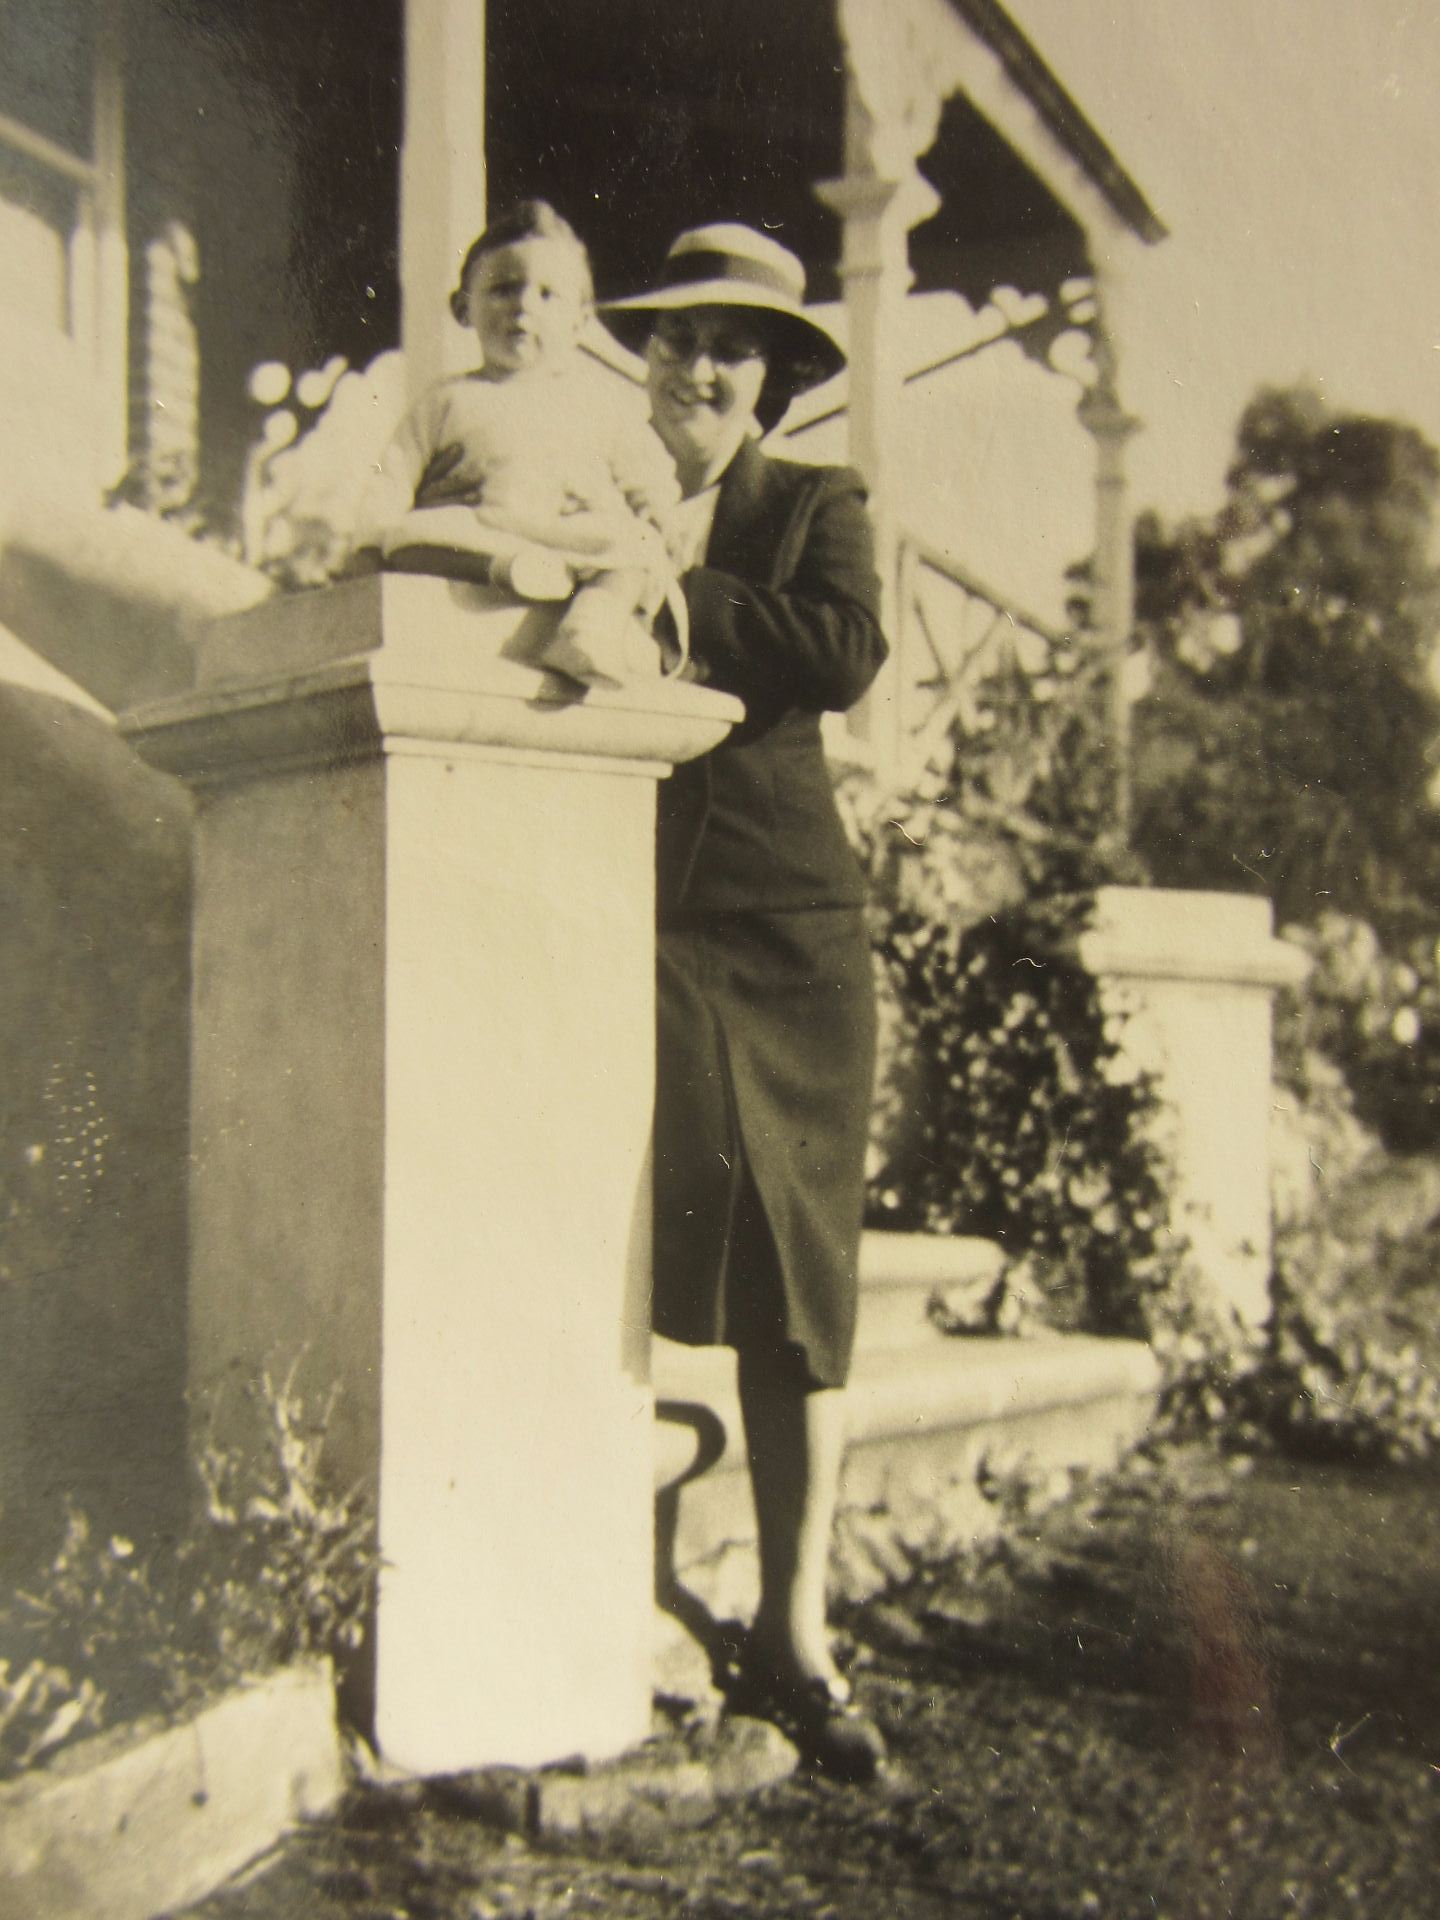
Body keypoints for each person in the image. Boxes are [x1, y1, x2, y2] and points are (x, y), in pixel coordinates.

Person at [602, 224, 890, 1781]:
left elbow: (844, 652)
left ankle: (795, 1629)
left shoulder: (813, 504)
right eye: (675, 338)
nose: (696, 366)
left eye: (732, 346)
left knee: (797, 1283)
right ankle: (598, 1587)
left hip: (784, 934)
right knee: (615, 1237)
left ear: (771, 379)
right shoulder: (596, 492)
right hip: (623, 916)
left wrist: (683, 590)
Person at [356, 200, 680, 688]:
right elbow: (395, 472)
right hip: (480, 528)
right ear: (463, 308)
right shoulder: (448, 399)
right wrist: (367, 545)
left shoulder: (600, 402)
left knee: (638, 545)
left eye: (548, 294)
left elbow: (645, 466)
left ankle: (590, 625)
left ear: (580, 320)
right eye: (503, 289)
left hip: (568, 532)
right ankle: (512, 571)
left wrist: (656, 508)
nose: (524, 305)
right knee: (409, 536)